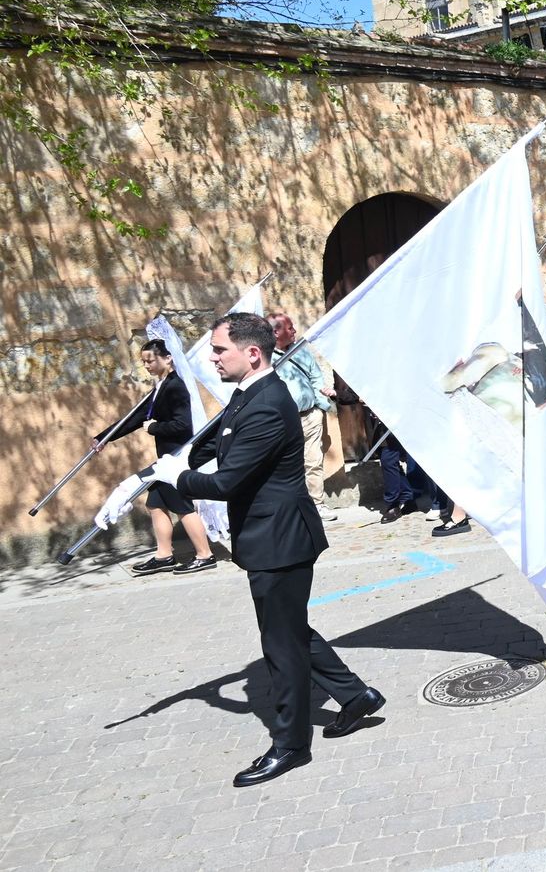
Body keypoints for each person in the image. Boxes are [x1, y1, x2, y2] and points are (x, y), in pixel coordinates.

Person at [143, 312, 383, 787]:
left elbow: (228, 481)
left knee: (280, 643)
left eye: (218, 350)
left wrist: (176, 478)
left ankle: (291, 745)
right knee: (289, 630)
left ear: (252, 353)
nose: (211, 357)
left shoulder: (269, 404)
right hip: (269, 536)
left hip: (280, 539)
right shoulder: (246, 396)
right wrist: (176, 458)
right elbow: (209, 441)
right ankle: (356, 697)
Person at [93, 339, 217, 574]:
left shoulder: (175, 387)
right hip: (164, 460)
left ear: (167, 358)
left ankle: (205, 555)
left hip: (176, 458)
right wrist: (104, 437)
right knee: (156, 504)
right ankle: (164, 555)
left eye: (150, 360)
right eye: (144, 362)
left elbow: (182, 426)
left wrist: (154, 428)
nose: (147, 365)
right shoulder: (161, 387)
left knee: (181, 506)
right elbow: (136, 417)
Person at [266, 313, 338, 522]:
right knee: (283, 464)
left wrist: (321, 406)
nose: (294, 331)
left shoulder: (301, 351)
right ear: (276, 332)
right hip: (281, 421)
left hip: (309, 416)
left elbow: (315, 377)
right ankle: (289, 509)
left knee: (313, 461)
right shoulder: (265, 357)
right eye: (290, 328)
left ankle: (317, 504)